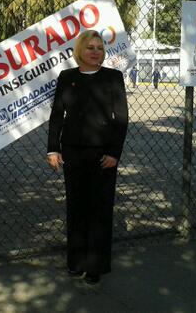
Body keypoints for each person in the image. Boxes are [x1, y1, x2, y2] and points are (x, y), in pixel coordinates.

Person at [47, 30, 128, 286]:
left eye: (100, 48)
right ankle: (76, 261)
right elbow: (57, 116)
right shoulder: (67, 77)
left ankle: (95, 265)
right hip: (72, 152)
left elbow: (121, 119)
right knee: (76, 208)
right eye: (90, 47)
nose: (96, 51)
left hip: (103, 155)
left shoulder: (113, 78)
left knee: (99, 210)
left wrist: (114, 153)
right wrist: (53, 149)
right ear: (80, 51)